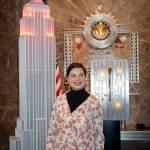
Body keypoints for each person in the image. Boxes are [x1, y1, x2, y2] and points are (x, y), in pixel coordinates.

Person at [46, 63, 104, 150]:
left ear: (85, 78)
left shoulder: (94, 102)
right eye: (73, 75)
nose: (77, 79)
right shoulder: (59, 101)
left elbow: (98, 134)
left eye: (81, 75)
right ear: (68, 79)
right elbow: (52, 131)